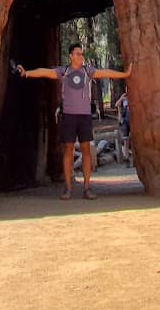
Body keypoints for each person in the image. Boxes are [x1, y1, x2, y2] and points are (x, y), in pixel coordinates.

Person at [18, 41, 132, 200]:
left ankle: (87, 188)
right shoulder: (64, 71)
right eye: (78, 54)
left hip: (84, 117)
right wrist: (27, 73)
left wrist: (124, 74)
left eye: (81, 54)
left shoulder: (87, 71)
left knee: (86, 151)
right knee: (68, 151)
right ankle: (68, 189)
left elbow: (105, 72)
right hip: (69, 117)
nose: (81, 56)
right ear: (71, 56)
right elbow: (45, 72)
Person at [114, 90, 131, 163]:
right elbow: (116, 104)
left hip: (132, 119)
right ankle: (126, 157)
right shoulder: (123, 98)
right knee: (125, 139)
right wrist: (122, 98)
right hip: (124, 121)